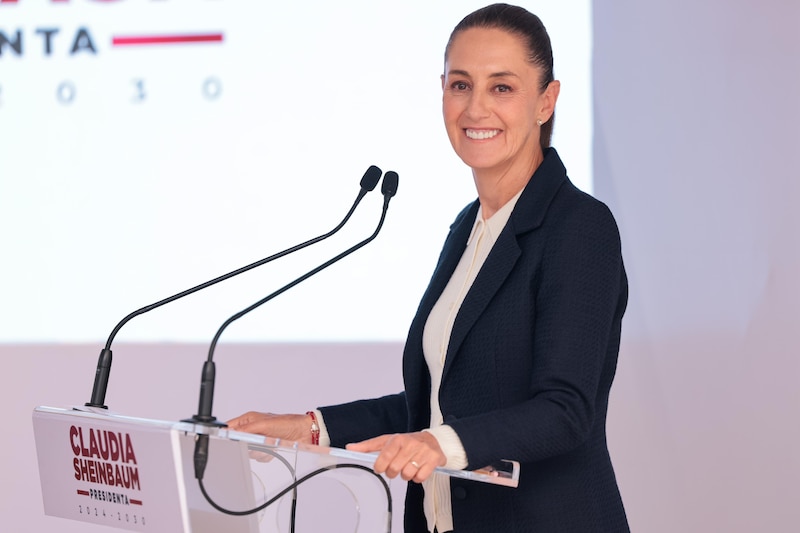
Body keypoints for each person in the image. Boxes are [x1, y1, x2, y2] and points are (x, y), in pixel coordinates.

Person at [228, 4, 630, 532]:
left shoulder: (578, 227)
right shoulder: (469, 228)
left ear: (546, 101)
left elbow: (565, 410)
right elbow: (437, 407)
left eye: (502, 88)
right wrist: (311, 428)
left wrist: (437, 444)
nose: (475, 108)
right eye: (460, 85)